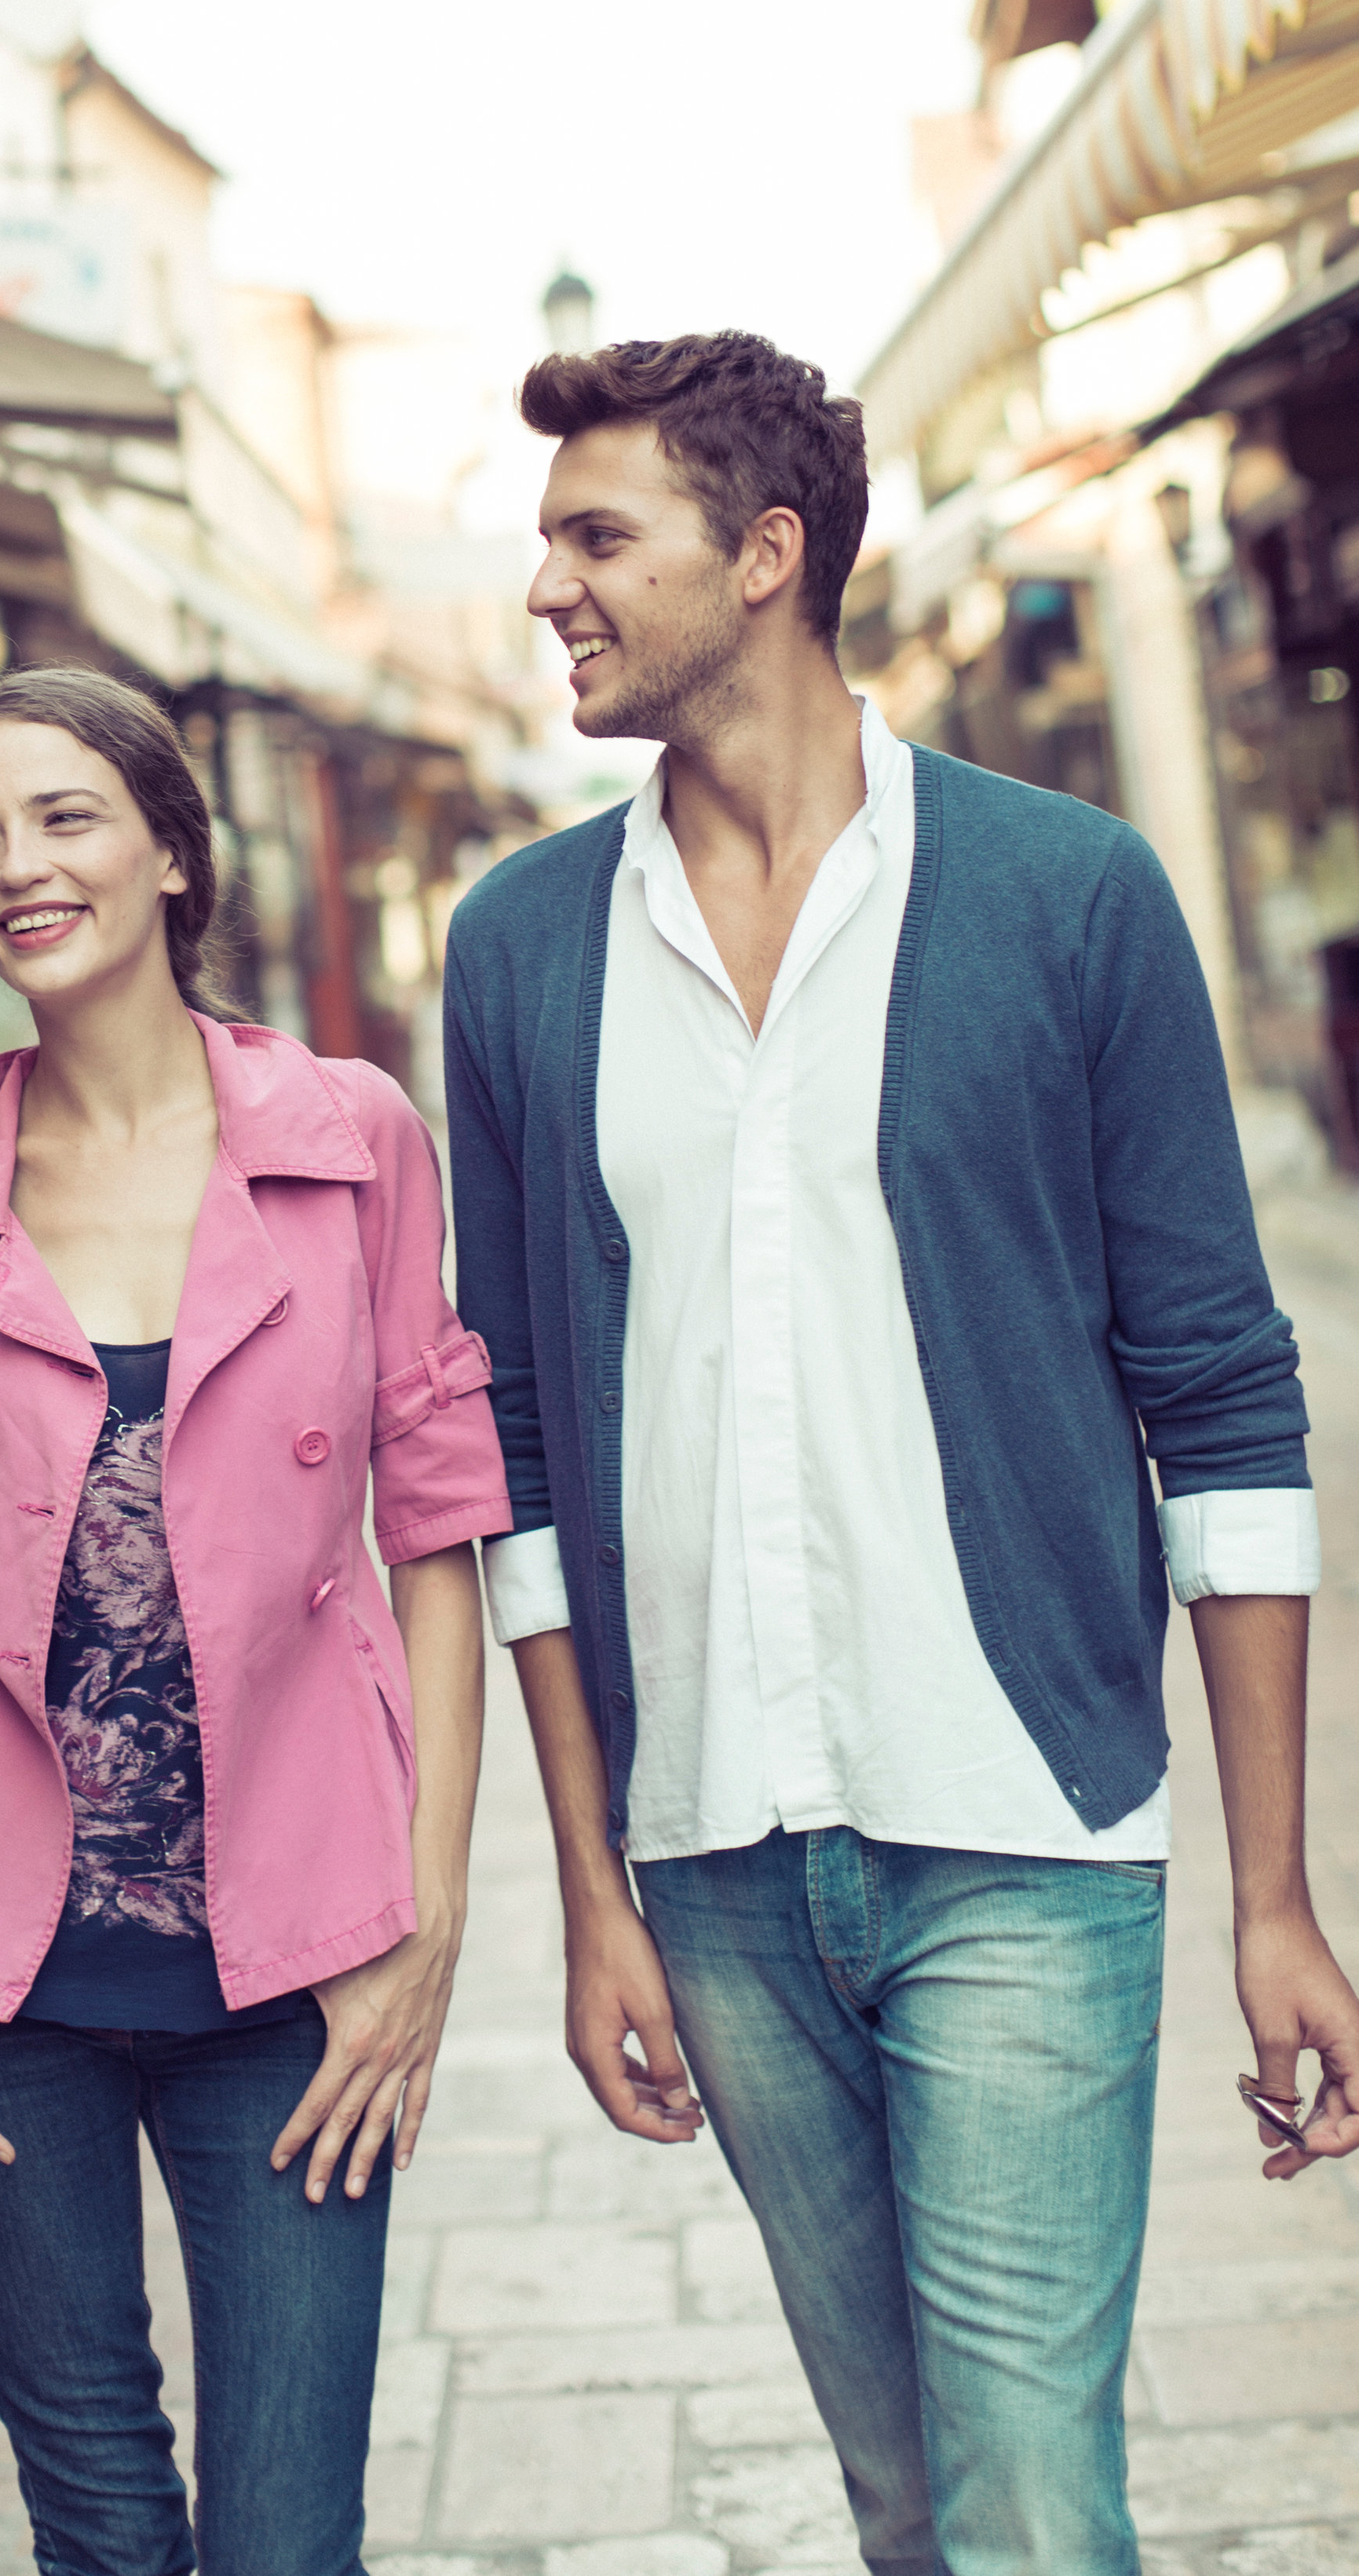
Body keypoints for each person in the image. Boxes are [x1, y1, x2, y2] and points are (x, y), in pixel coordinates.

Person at [441, 331, 1359, 2574]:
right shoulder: (518, 946)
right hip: (720, 1861)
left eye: (593, 534)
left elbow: (1224, 1399)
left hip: (1022, 1823)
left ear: (765, 557)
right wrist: (588, 1890)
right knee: (899, 2504)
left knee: (1033, 2500)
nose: (542, 584)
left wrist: (1265, 1891)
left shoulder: (1066, 897)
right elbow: (519, 1457)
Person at [0, 667, 508, 2576]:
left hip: (293, 1962)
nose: (15, 865)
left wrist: (424, 1919)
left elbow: (435, 1538)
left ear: (174, 852)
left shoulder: (349, 1138)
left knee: (284, 2537)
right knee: (97, 2524)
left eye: (63, 815)